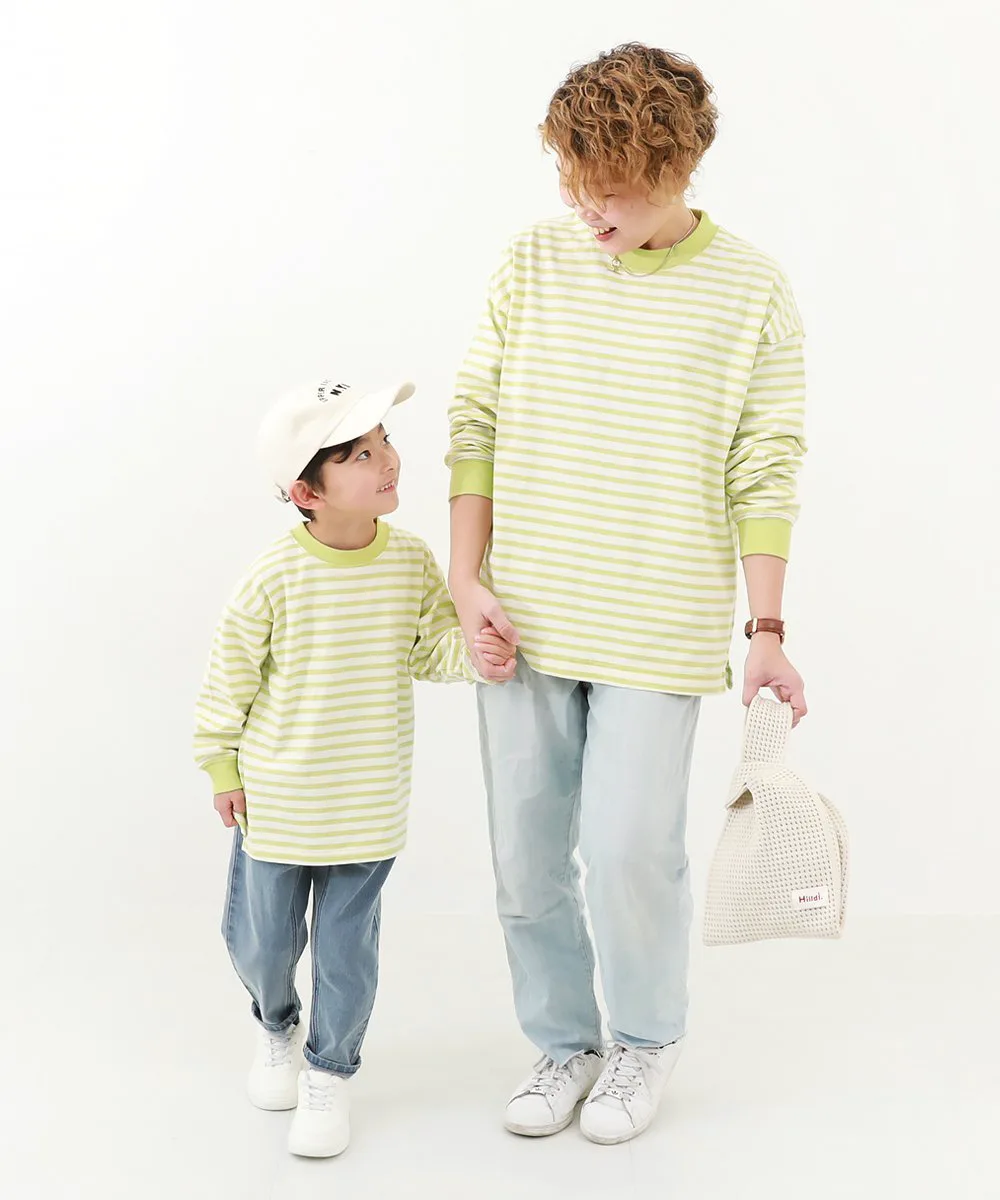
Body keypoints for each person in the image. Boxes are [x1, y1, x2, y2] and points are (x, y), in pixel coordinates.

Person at [447, 42, 809, 1146]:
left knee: (626, 851)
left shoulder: (752, 290)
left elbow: (765, 465)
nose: (586, 206)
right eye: (574, 179)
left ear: (677, 167)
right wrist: (465, 578)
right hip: (523, 616)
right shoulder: (530, 263)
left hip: (656, 622)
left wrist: (766, 628)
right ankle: (564, 1041)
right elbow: (475, 421)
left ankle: (644, 1039)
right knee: (524, 858)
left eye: (612, 186)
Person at [193, 378, 515, 1158]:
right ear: (307, 492)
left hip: (366, 804)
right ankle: (276, 1025)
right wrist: (220, 766)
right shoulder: (273, 576)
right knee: (263, 944)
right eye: (360, 455)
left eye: (385, 442)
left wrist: (477, 655)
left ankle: (329, 1072)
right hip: (278, 800)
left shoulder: (409, 561)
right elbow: (228, 677)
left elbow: (428, 649)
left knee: (346, 956)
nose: (388, 461)